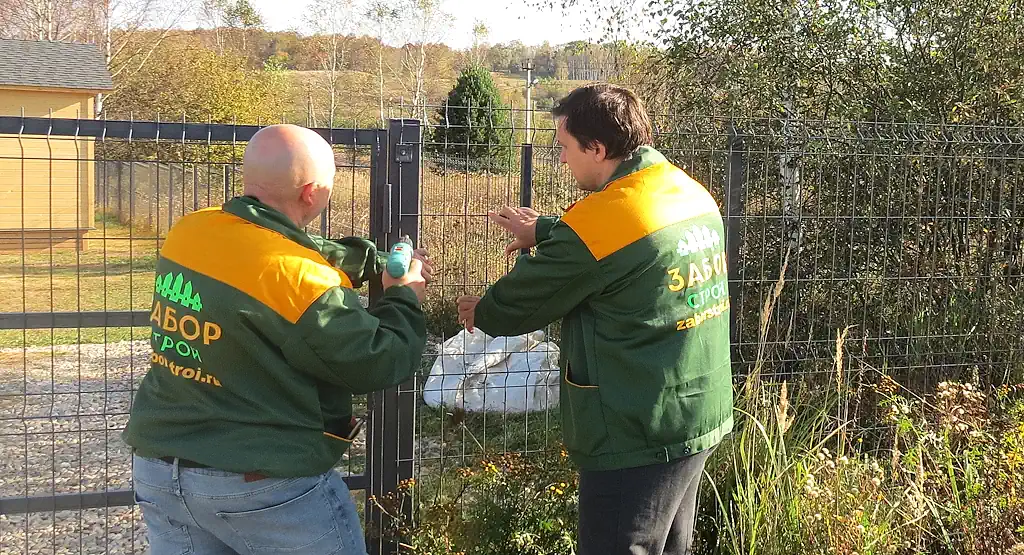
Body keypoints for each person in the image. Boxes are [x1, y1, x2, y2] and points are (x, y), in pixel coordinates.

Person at [122, 124, 432, 555]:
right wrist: (403, 295)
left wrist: (373, 261)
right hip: (260, 483)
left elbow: (283, 245)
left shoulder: (192, 230)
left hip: (160, 468)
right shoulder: (303, 283)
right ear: (312, 193)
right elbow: (379, 360)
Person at [456, 84, 734, 555]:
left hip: (635, 427)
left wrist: (480, 310)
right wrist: (546, 229)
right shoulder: (686, 190)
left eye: (565, 147)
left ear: (598, 149)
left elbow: (518, 304)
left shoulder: (603, 220)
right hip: (696, 411)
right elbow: (624, 245)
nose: (562, 159)